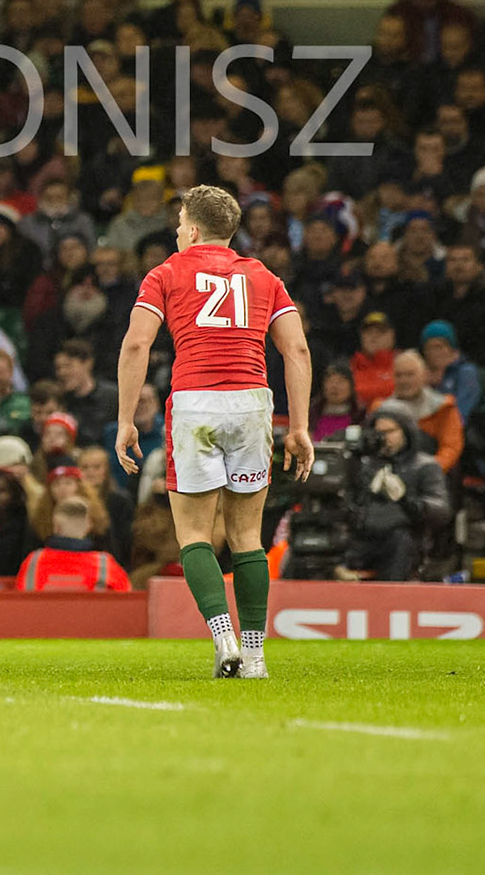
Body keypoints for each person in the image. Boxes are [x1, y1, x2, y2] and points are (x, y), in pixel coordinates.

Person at [114, 185, 313, 680]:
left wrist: (124, 420)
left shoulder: (166, 272)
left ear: (195, 228)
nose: (178, 230)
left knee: (195, 534)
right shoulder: (264, 276)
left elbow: (138, 345)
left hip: (196, 403)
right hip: (251, 403)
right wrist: (302, 426)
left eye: (180, 222)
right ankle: (255, 656)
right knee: (248, 536)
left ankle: (222, 635)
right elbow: (298, 351)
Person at [335, 405, 450, 582]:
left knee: (400, 541)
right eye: (378, 432)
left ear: (406, 432)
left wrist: (405, 499)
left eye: (389, 431)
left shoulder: (425, 466)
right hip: (359, 540)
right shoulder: (361, 464)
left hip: (401, 543)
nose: (383, 437)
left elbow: (441, 511)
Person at [15, 496, 132, 591]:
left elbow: (20, 601)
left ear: (56, 527)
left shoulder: (34, 561)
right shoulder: (106, 565)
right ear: (89, 526)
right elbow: (126, 601)